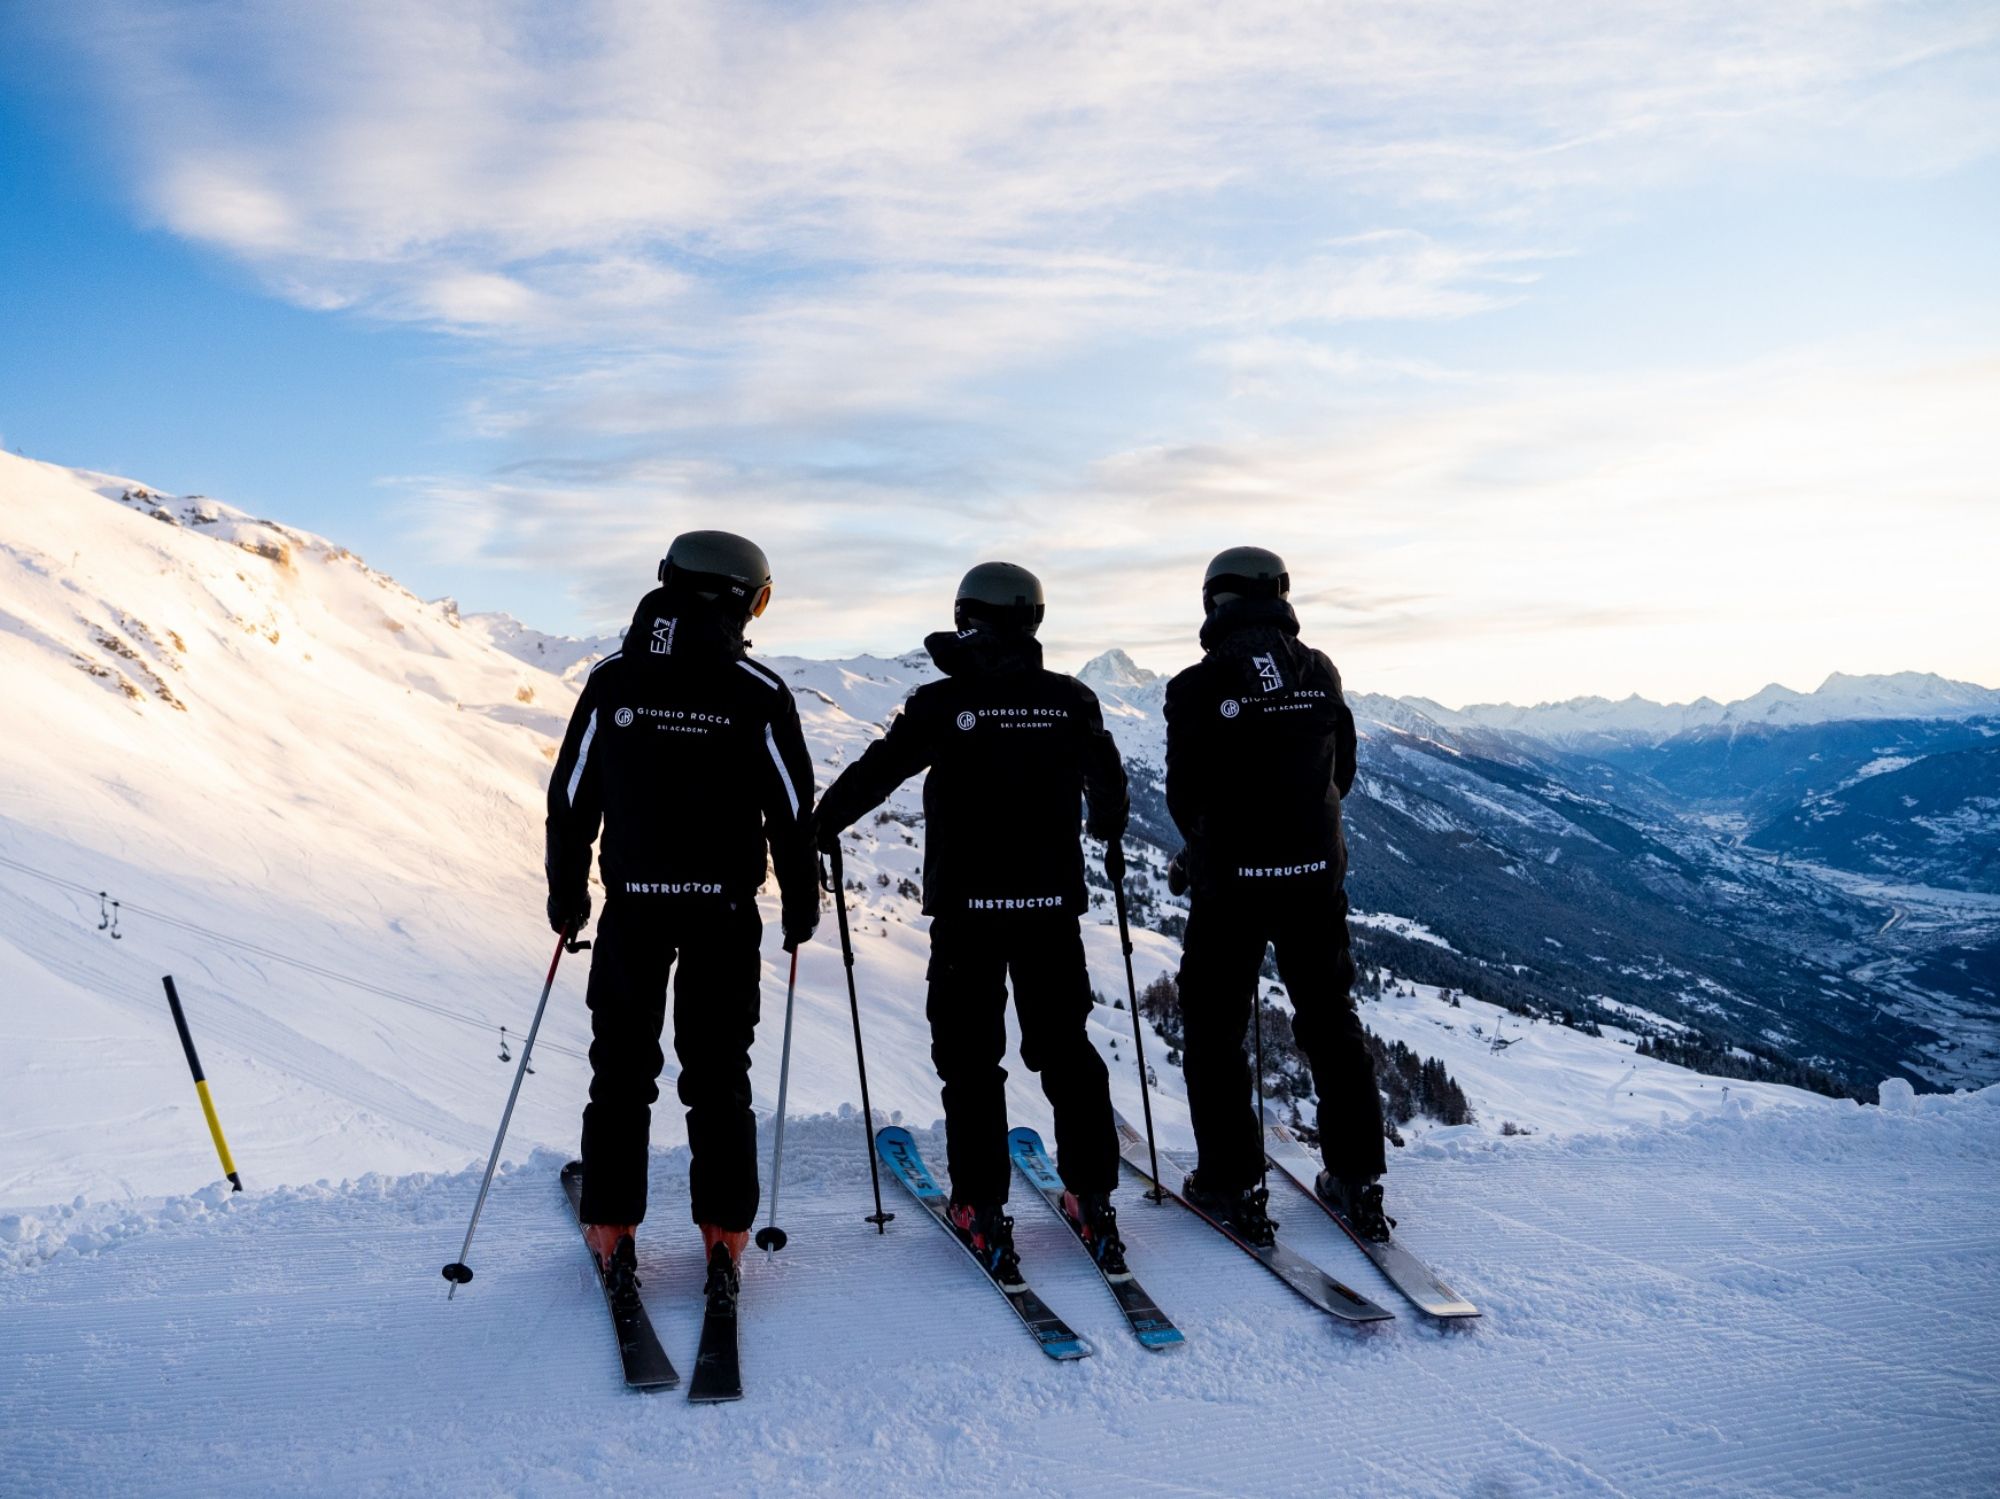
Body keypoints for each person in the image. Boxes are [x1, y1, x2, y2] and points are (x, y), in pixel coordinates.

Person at [814, 562, 1129, 1284]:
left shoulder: (940, 702)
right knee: (1067, 1048)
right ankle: (1094, 1197)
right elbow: (1107, 783)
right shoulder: (1069, 699)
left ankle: (980, 1209)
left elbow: (880, 769)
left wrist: (820, 824)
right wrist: (1108, 827)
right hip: (1051, 910)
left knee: (970, 1061)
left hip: (968, 915)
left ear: (967, 618)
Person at [545, 530, 820, 1309]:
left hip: (634, 909)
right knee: (718, 1073)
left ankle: (612, 1226)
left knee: (622, 1070)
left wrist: (568, 898)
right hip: (724, 914)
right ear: (739, 598)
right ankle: (726, 1236)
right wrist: (802, 907)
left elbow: (570, 803)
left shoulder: (614, 680)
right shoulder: (757, 691)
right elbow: (793, 815)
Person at [1163, 545, 1391, 1244]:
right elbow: (1340, 772)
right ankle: (1357, 1177)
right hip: (1315, 876)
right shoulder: (1320, 671)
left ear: (1214, 604)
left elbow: (1183, 795)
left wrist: (1214, 848)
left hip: (1232, 883)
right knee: (1328, 1016)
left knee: (1215, 1027)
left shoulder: (1196, 686)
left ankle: (1230, 1182)